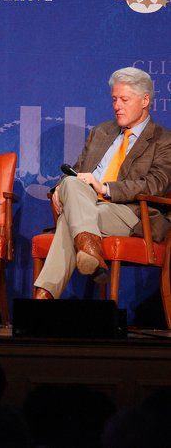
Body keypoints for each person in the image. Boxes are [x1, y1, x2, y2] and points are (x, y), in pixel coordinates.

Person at [34, 67, 171, 300]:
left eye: (124, 100)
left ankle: (43, 297)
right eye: (114, 99)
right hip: (88, 206)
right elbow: (76, 173)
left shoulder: (163, 140)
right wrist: (60, 188)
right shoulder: (101, 132)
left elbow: (156, 184)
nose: (117, 105)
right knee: (71, 182)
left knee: (70, 219)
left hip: (132, 213)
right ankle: (90, 250)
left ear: (145, 100)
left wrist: (105, 188)